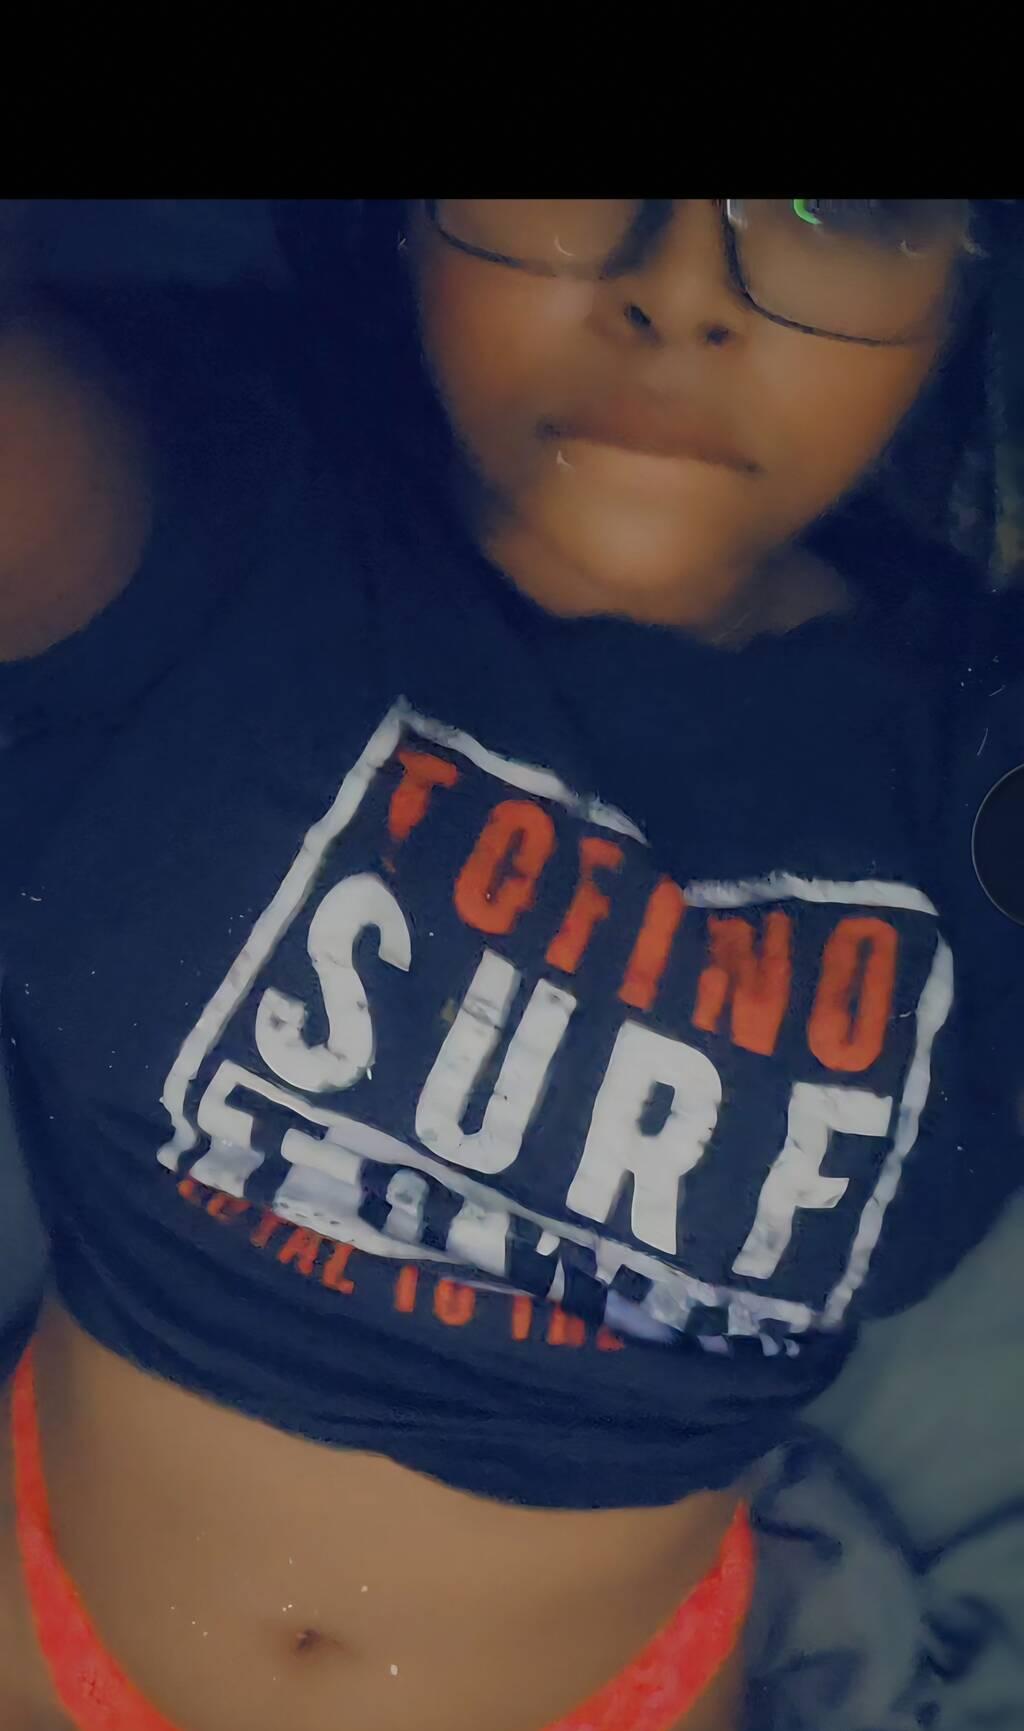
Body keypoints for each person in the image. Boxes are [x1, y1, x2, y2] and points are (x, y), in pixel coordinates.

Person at [0, 198, 1021, 1731]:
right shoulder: (211, 493)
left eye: (843, 200)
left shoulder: (973, 752)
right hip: (45, 1636)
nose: (679, 292)